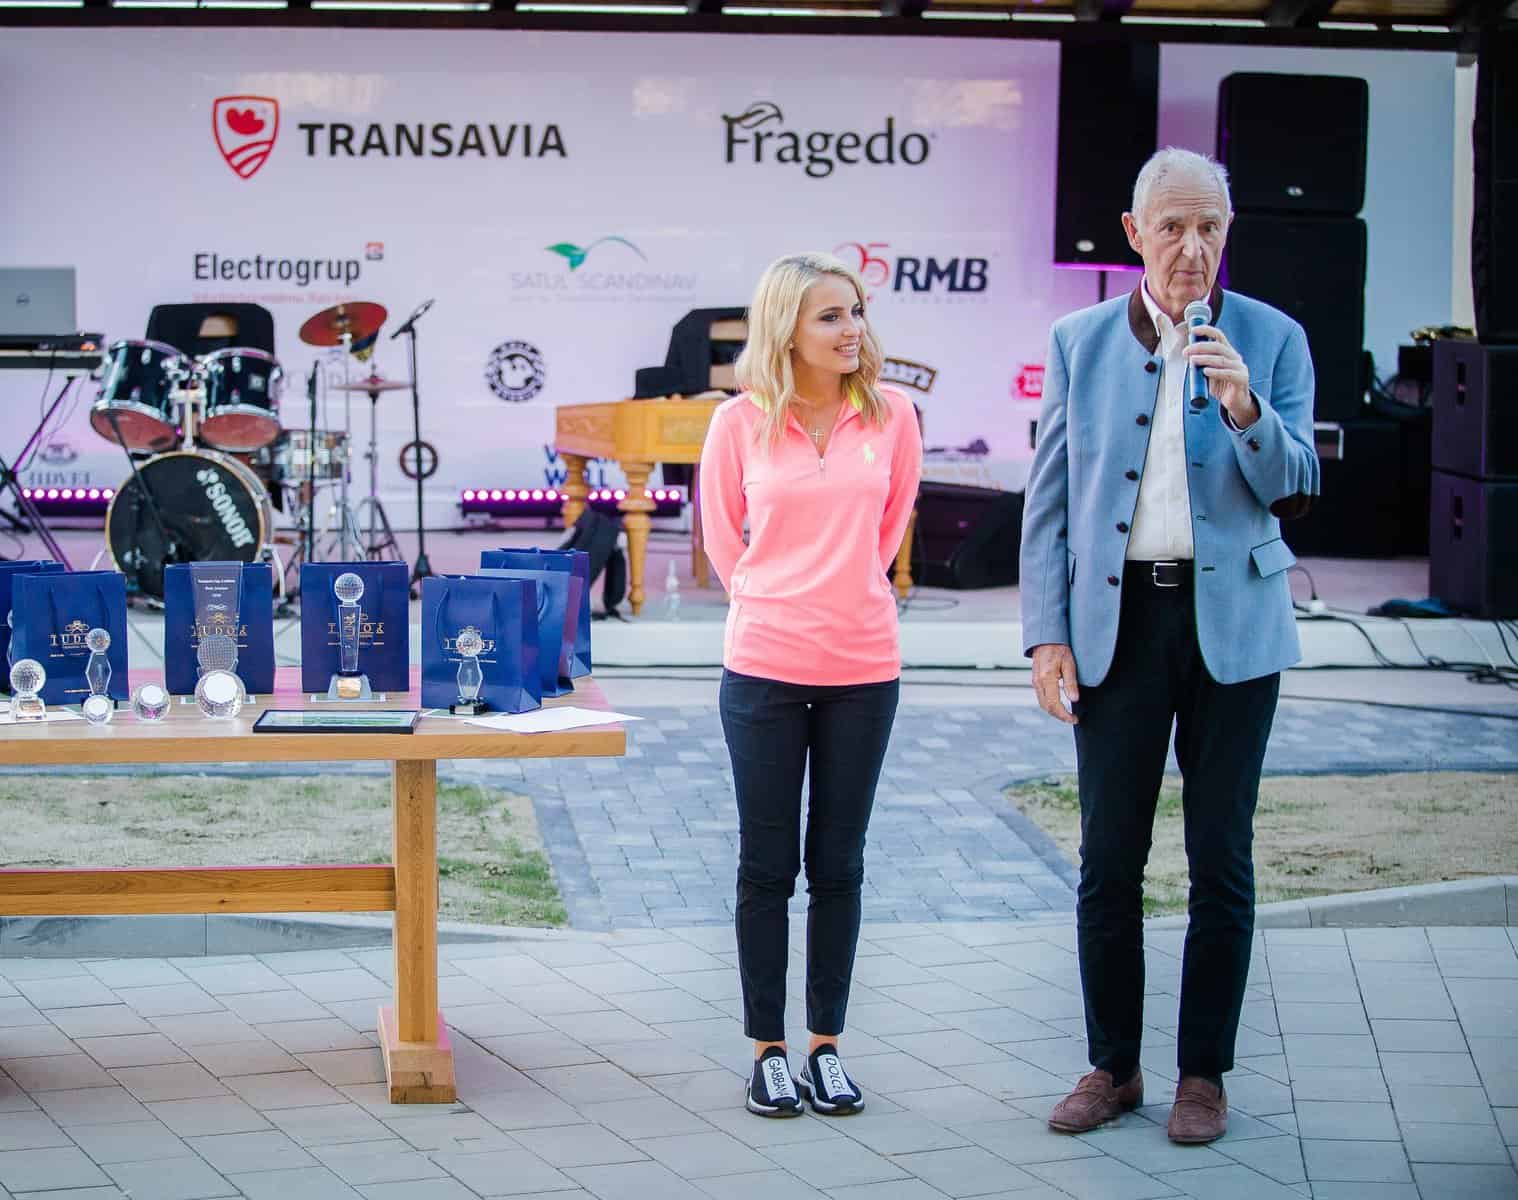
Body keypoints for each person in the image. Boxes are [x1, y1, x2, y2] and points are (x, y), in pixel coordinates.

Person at [1019, 148, 1319, 1145]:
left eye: (1210, 228)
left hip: (1235, 627)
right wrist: (1046, 636)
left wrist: (1244, 407)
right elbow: (1050, 502)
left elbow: (1295, 483)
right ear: (1134, 232)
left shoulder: (1273, 338)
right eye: (1174, 227)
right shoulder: (1079, 341)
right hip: (1119, 628)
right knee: (1109, 857)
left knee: (1220, 858)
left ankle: (1203, 1076)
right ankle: (1113, 1066)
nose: (1192, 248)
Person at [699, 251, 923, 1118]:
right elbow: (723, 542)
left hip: (864, 669)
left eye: (856, 311)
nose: (852, 328)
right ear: (786, 327)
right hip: (763, 669)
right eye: (831, 315)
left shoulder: (893, 415)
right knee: (766, 868)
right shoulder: (737, 423)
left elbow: (888, 529)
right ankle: (768, 1050)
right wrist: (777, 601)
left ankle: (827, 1045)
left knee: (839, 866)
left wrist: (843, 594)